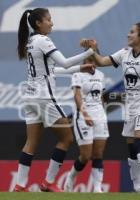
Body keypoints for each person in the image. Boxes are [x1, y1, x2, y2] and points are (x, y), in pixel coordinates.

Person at [80, 22, 140, 192]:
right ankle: (138, 188)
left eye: (132, 32)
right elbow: (102, 61)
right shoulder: (124, 53)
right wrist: (92, 49)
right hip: (131, 107)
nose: (128, 35)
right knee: (132, 149)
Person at [14, 8, 96, 192]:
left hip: (29, 97)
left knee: (31, 142)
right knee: (66, 138)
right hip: (44, 97)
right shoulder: (43, 40)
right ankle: (48, 182)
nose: (52, 23)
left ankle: (20, 185)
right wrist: (90, 51)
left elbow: (54, 70)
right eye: (49, 20)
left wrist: (81, 68)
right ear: (38, 23)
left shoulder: (30, 41)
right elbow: (65, 62)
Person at [54, 56, 109, 193]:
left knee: (98, 154)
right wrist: (85, 114)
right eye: (88, 60)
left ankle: (97, 188)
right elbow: (77, 96)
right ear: (84, 62)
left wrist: (102, 114)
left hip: (100, 116)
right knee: (85, 156)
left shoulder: (101, 75)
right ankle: (71, 177)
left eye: (93, 60)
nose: (91, 63)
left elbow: (100, 96)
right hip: (83, 116)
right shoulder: (77, 75)